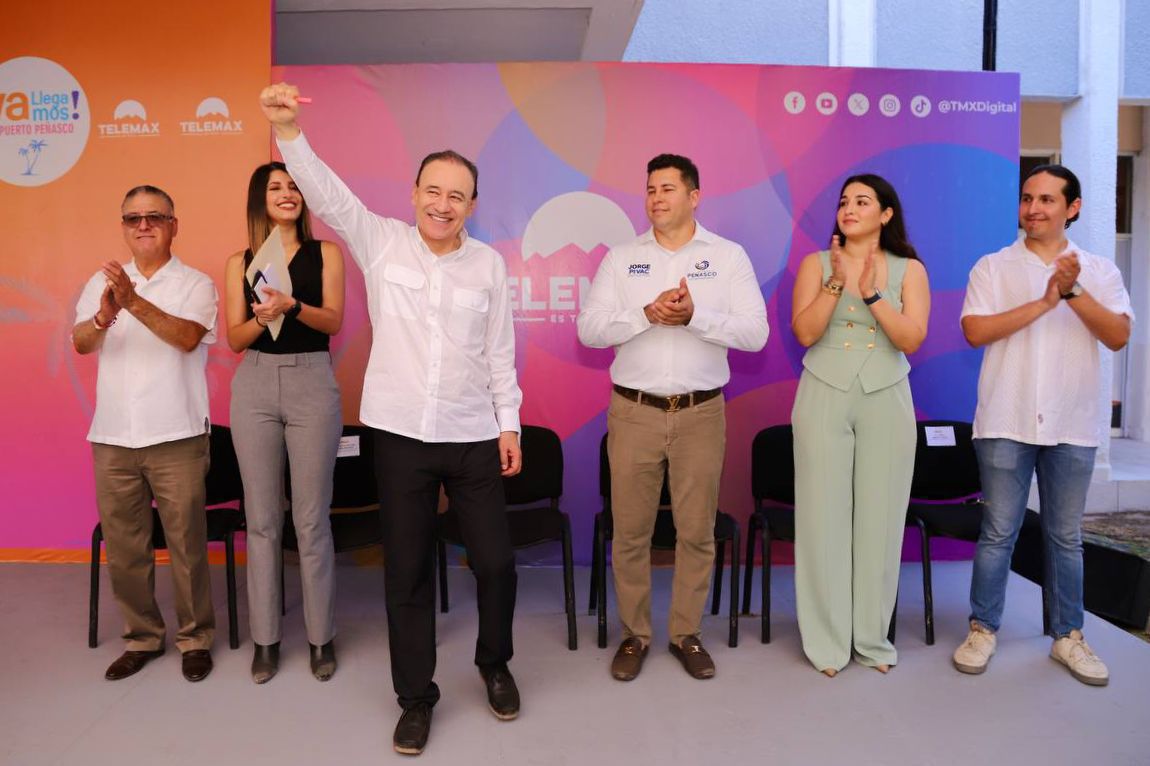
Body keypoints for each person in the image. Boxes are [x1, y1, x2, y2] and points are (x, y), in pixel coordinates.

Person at [259, 83, 523, 756]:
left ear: (472, 206)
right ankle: (415, 698)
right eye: (433, 191)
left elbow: (499, 351)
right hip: (400, 435)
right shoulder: (381, 242)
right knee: (405, 571)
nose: (443, 204)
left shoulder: (489, 266)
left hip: (471, 435)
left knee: (496, 563)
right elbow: (327, 194)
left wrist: (509, 424)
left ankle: (494, 663)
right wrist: (288, 132)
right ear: (414, 195)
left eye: (457, 195)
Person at [577, 154, 768, 682]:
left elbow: (756, 333)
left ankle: (686, 634)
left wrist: (694, 317)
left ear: (694, 196)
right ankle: (634, 636)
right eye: (650, 189)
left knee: (697, 532)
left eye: (667, 188)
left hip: (700, 413)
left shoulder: (727, 257)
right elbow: (589, 329)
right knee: (630, 534)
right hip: (634, 411)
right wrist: (645, 314)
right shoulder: (622, 259)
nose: (656, 198)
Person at [953, 164, 1132, 686]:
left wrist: (1072, 293)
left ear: (1072, 208)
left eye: (1047, 199)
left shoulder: (1098, 271)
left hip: (1072, 424)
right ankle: (983, 628)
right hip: (1005, 419)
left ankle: (1068, 636)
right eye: (1027, 198)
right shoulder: (993, 267)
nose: (1033, 208)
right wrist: (1044, 302)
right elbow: (974, 330)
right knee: (998, 533)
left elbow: (1118, 335)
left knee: (1065, 537)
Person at [72, 185, 218, 683]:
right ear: (123, 227)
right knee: (125, 548)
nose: (143, 225)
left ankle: (195, 639)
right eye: (133, 218)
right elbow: (80, 342)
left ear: (174, 225)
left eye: (155, 216)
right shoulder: (101, 282)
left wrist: (131, 302)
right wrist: (103, 314)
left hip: (177, 435)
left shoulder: (195, 283)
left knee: (187, 544)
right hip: (113, 437)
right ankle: (142, 638)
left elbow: (187, 338)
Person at [790, 173, 930, 676]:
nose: (849, 208)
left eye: (863, 201)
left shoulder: (910, 269)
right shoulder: (815, 264)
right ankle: (827, 643)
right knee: (822, 519)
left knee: (880, 521)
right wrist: (835, 282)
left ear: (886, 214)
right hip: (823, 389)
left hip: (886, 394)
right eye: (844, 201)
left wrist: (872, 295)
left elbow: (910, 339)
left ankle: (871, 639)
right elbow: (805, 332)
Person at [224, 162, 346, 684]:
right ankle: (266, 641)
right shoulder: (240, 262)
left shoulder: (326, 254)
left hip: (312, 380)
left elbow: (333, 320)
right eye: (276, 187)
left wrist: (292, 305)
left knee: (312, 520)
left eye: (294, 186)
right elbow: (234, 338)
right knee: (262, 519)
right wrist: (262, 317)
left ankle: (321, 638)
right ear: (260, 198)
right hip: (254, 383)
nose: (287, 194)